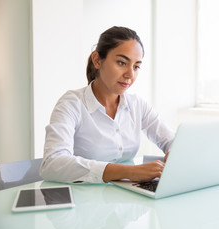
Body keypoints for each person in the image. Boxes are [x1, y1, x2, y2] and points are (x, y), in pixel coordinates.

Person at [40, 26, 174, 184]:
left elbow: (171, 141)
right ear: (97, 60)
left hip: (125, 197)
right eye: (121, 62)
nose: (130, 75)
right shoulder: (71, 104)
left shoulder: (137, 105)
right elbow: (52, 164)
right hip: (83, 199)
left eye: (136, 66)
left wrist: (175, 153)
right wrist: (130, 172)